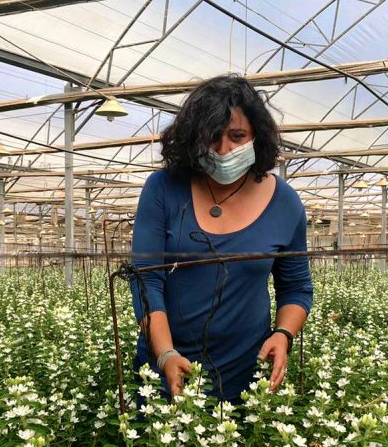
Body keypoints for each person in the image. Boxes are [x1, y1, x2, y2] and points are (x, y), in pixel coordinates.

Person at [129, 75, 313, 403]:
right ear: (194, 139)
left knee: (241, 435)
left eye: (237, 136)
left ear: (257, 136)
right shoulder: (164, 189)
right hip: (167, 367)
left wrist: (283, 334)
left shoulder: (285, 203)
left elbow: (296, 287)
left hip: (248, 370)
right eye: (212, 137)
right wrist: (166, 354)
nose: (224, 149)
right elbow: (146, 281)